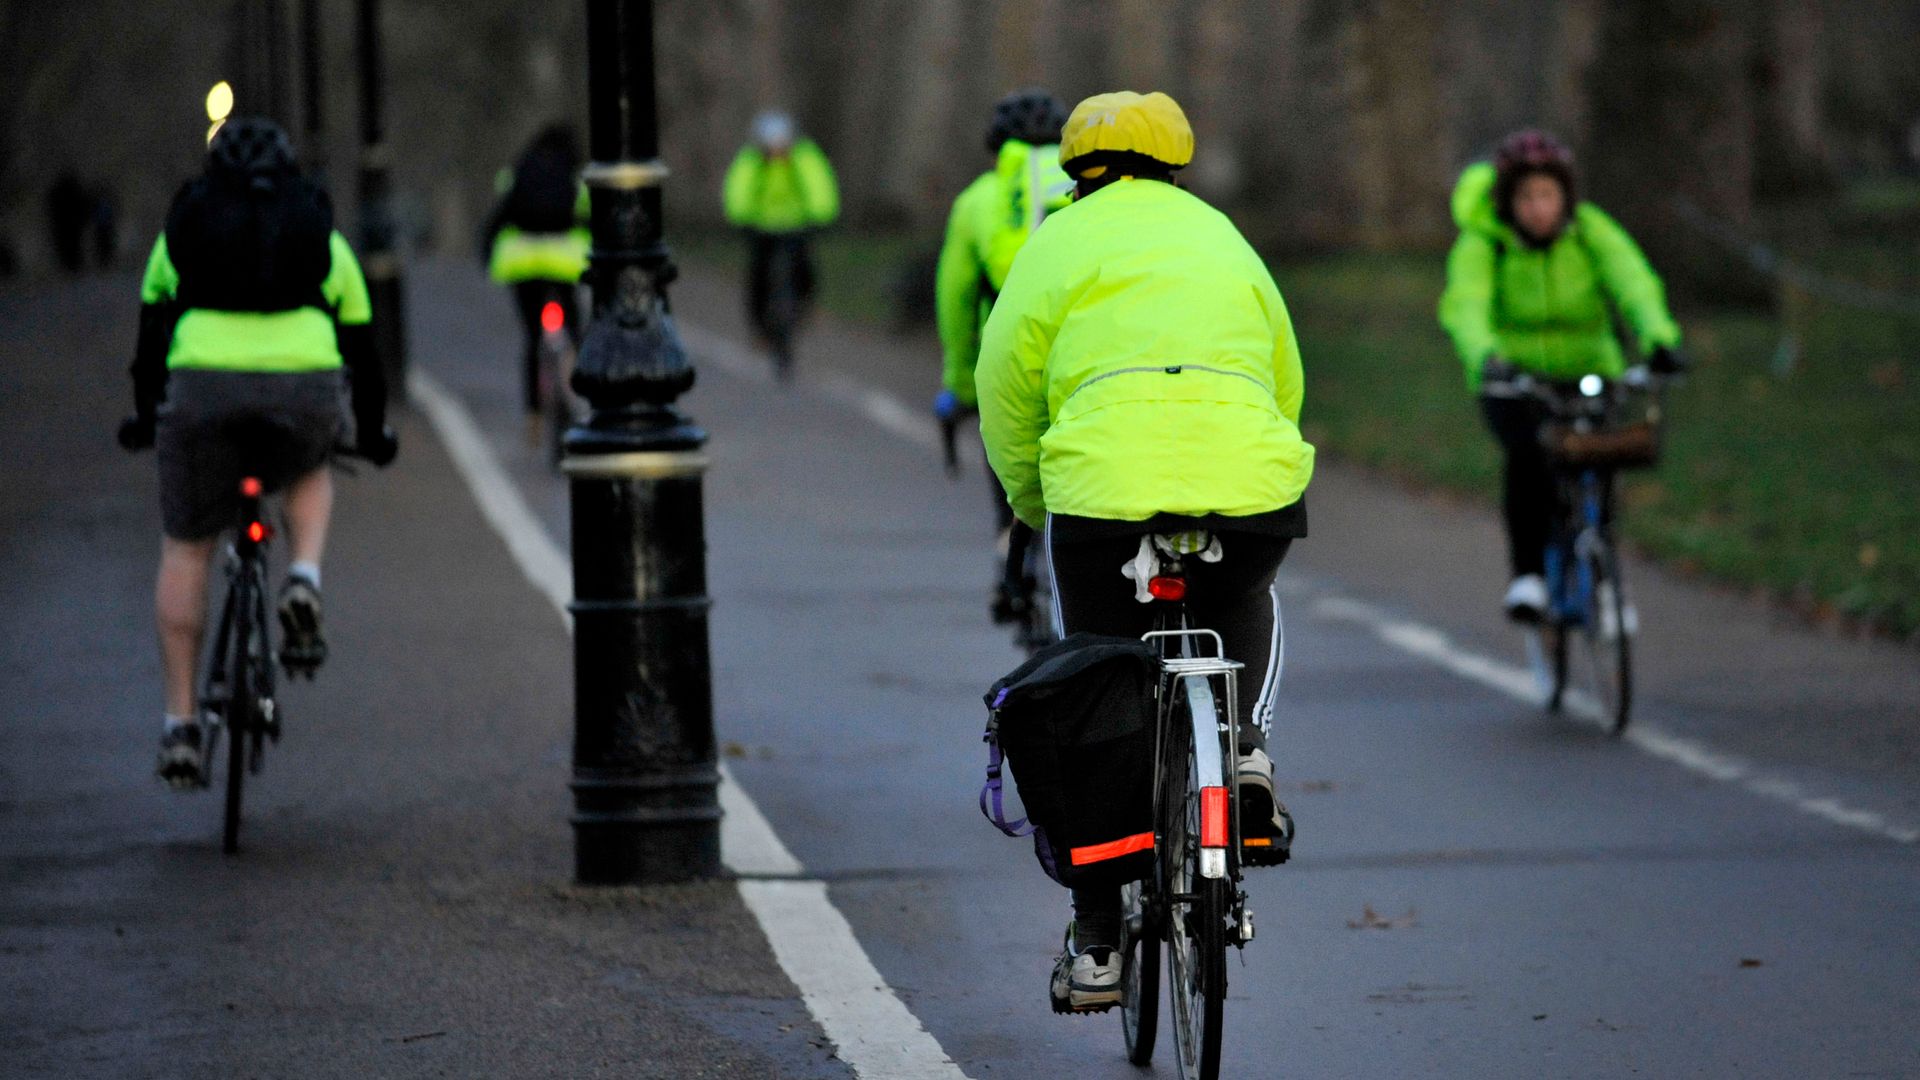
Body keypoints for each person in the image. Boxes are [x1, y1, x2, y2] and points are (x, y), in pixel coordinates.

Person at [975, 91, 1312, 1011]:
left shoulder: (1055, 243)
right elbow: (1283, 371)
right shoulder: (1221, 234)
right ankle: (1241, 753)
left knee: (1090, 676)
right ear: (1176, 161)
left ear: (1078, 169)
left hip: (1103, 490)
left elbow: (1003, 377)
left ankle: (1096, 944)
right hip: (1243, 474)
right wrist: (1261, 454)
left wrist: (1032, 500)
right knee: (1249, 585)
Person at [117, 118, 397, 788]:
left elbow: (151, 337)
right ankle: (303, 576)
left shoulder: (180, 232)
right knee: (308, 463)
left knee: (187, 547)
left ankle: (181, 727)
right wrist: (375, 426)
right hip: (303, 383)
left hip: (203, 389)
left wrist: (145, 413)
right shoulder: (320, 236)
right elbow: (363, 347)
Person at [1437, 129, 1685, 622]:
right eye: (1527, 197)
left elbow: (1633, 282)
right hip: (1515, 378)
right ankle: (1528, 576)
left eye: (1548, 195)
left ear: (1566, 196)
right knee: (1529, 456)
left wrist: (1659, 340)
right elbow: (1466, 304)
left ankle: (1606, 571)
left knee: (1604, 457)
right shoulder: (1487, 244)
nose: (1539, 208)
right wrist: (1486, 355)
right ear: (1508, 202)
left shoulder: (1592, 231)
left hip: (1592, 368)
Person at [932, 88, 1073, 626]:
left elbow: (956, 299)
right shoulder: (1085, 190)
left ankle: (1011, 558)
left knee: (1011, 445)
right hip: (1086, 356)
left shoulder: (978, 200)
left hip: (1011, 356)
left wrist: (960, 382)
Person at [481, 124, 589, 441]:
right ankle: (573, 392)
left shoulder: (517, 174)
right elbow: (589, 218)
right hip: (564, 262)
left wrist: (487, 251)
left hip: (523, 263)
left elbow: (499, 218)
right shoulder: (575, 178)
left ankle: (534, 417)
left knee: (532, 338)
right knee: (572, 329)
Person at [721, 111, 839, 359]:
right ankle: (759, 327)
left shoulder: (804, 155)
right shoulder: (751, 159)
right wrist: (741, 217)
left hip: (796, 224)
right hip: (761, 225)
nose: (777, 151)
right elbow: (739, 187)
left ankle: (806, 305)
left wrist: (821, 215)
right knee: (758, 275)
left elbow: (818, 184)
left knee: (804, 266)